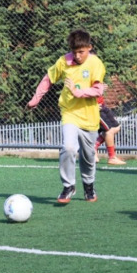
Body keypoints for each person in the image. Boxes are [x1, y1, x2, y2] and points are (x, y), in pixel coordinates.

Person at [27, 29, 106, 203]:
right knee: (68, 147)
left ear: (89, 48)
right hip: (69, 112)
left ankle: (88, 185)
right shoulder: (64, 61)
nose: (77, 56)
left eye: (82, 52)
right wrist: (36, 98)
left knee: (89, 156)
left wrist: (79, 92)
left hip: (90, 116)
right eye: (74, 52)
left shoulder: (96, 64)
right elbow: (48, 78)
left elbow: (98, 89)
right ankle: (68, 186)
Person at [95, 95, 126, 165]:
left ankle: (94, 146)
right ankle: (112, 157)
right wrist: (91, 107)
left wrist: (100, 88)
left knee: (116, 127)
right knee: (110, 131)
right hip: (96, 108)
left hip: (102, 105)